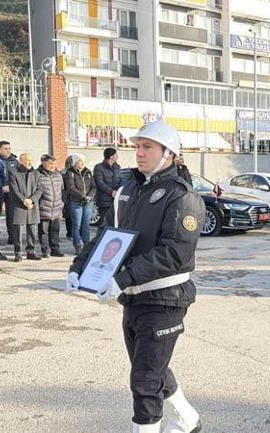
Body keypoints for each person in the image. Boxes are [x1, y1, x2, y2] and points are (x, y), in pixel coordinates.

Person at [65, 120, 205, 433]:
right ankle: (188, 419)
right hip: (135, 298)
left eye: (147, 147)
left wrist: (121, 279)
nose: (139, 153)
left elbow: (174, 254)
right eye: (138, 146)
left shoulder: (182, 197)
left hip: (165, 299)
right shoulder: (129, 190)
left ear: (168, 153)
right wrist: (80, 267)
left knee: (144, 380)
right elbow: (107, 235)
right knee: (151, 368)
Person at [9, 153, 43, 262]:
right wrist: (24, 200)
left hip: (32, 205)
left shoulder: (36, 173)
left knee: (32, 229)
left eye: (31, 160)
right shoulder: (14, 172)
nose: (29, 162)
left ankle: (31, 252)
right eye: (27, 160)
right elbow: (14, 189)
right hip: (19, 204)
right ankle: (18, 253)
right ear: (20, 161)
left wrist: (31, 200)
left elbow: (40, 189)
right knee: (17, 230)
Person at [65, 154, 95, 254]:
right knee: (76, 225)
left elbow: (93, 186)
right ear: (74, 163)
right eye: (79, 161)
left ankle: (86, 245)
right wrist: (83, 196)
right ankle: (77, 245)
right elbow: (71, 188)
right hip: (76, 202)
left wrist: (90, 196)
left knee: (86, 225)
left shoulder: (88, 172)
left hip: (88, 202)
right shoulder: (70, 173)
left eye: (82, 161)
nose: (81, 163)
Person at [37, 154, 65, 258]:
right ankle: (45, 250)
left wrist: (62, 203)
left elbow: (62, 190)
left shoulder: (58, 175)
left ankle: (55, 249)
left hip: (57, 208)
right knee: (43, 231)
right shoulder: (37, 174)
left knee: (55, 231)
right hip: (43, 207)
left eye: (54, 163)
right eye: (49, 163)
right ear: (43, 163)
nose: (52, 165)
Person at [94, 147, 122, 228]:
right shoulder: (99, 167)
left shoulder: (117, 167)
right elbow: (99, 183)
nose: (117, 156)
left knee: (114, 224)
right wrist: (111, 192)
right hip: (104, 201)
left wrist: (120, 191)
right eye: (116, 154)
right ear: (111, 156)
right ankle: (99, 239)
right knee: (104, 224)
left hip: (116, 200)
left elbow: (121, 180)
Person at [0, 140, 19, 244]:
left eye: (9, 148)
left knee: (11, 215)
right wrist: (1, 187)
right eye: (5, 149)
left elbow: (18, 177)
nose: (8, 151)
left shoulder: (14, 161)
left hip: (11, 192)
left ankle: (12, 238)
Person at [62, 154, 75, 239]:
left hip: (72, 197)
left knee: (71, 217)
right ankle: (70, 233)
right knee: (69, 217)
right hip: (67, 197)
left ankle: (71, 233)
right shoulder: (64, 173)